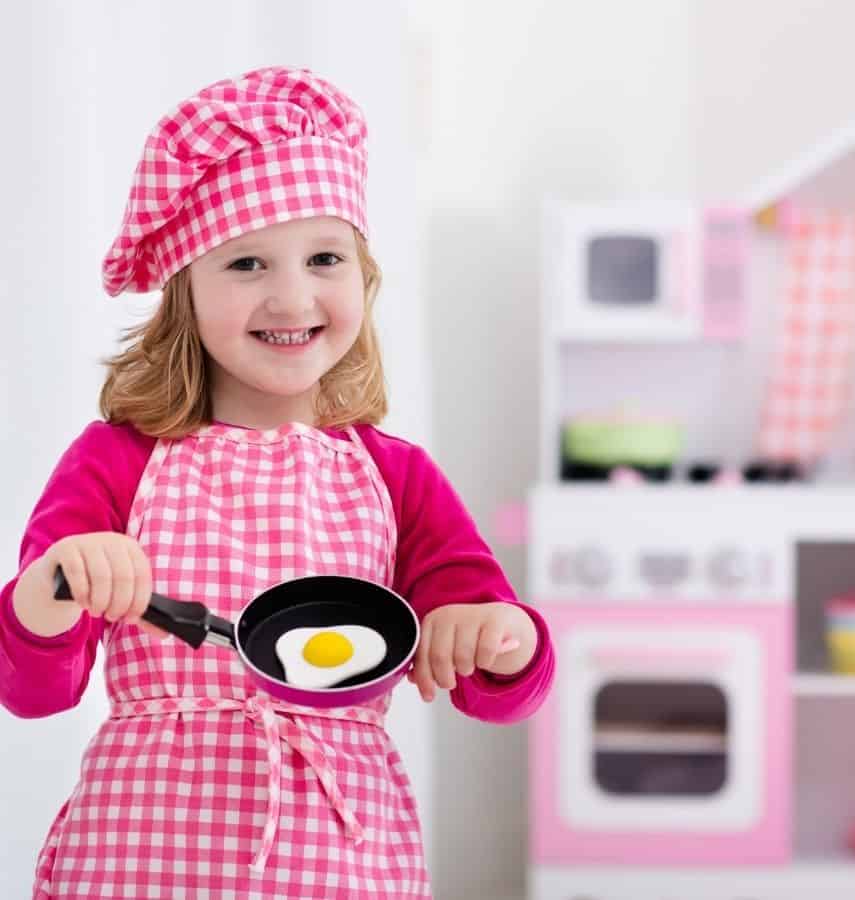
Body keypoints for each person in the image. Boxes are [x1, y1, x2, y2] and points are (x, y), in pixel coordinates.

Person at [0, 65, 554, 899]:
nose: (291, 294)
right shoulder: (116, 458)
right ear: (186, 290)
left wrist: (500, 636)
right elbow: (32, 688)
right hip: (141, 859)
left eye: (324, 257)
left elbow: (496, 685)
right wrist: (58, 581)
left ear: (361, 279)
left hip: (341, 862)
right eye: (248, 263)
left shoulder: (395, 477)